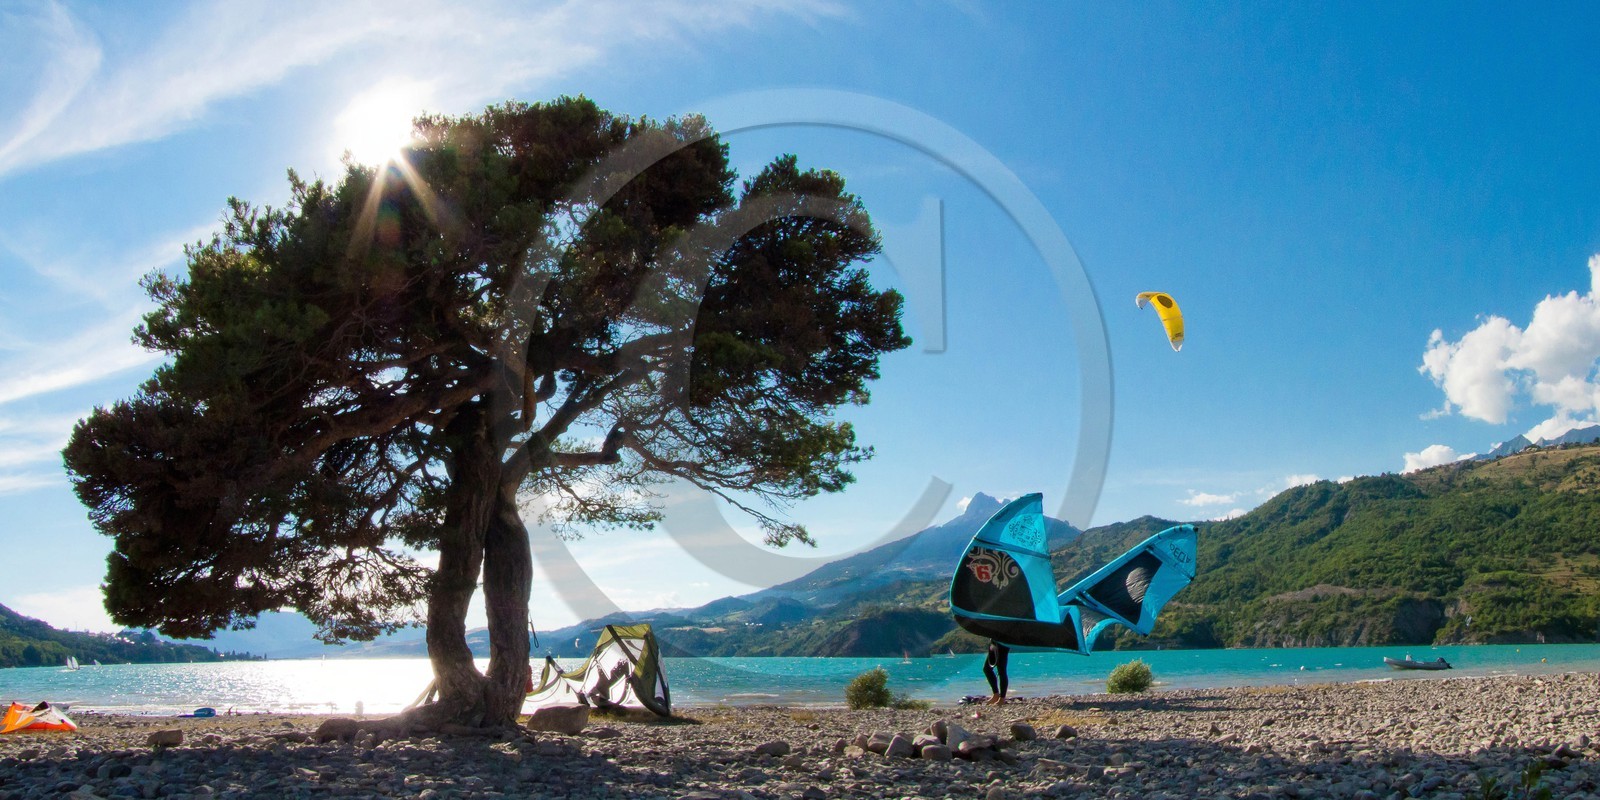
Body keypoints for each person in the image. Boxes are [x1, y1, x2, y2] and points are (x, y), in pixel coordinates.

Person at [983, 640, 1010, 705]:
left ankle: (1002, 698)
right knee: (987, 669)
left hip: (1003, 643)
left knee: (1001, 671)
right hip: (994, 642)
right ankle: (996, 694)